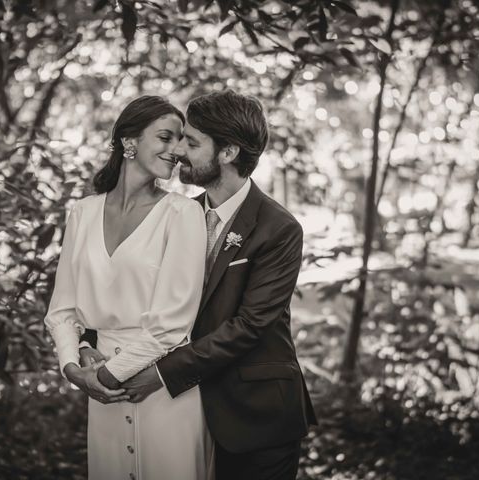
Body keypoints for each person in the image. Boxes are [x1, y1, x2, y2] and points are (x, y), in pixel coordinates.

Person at [85, 90, 318, 480]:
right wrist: (90, 342)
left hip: (253, 414)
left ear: (227, 153)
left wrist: (160, 374)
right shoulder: (176, 215)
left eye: (192, 142)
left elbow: (250, 326)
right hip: (184, 413)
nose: (178, 151)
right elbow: (127, 289)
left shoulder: (279, 229)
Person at [43, 95, 214, 480]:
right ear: (129, 142)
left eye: (183, 141)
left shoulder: (182, 214)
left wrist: (105, 377)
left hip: (161, 386)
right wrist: (74, 368)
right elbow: (61, 311)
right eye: (166, 137)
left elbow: (173, 324)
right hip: (99, 388)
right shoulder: (83, 213)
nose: (178, 151)